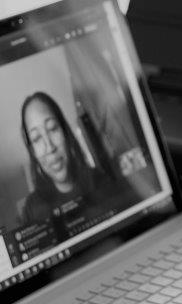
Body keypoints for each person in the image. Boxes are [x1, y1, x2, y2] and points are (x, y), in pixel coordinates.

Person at [18, 91, 124, 236]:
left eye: (53, 128)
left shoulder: (99, 179)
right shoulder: (32, 210)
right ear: (33, 153)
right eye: (36, 138)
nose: (49, 147)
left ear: (66, 133)